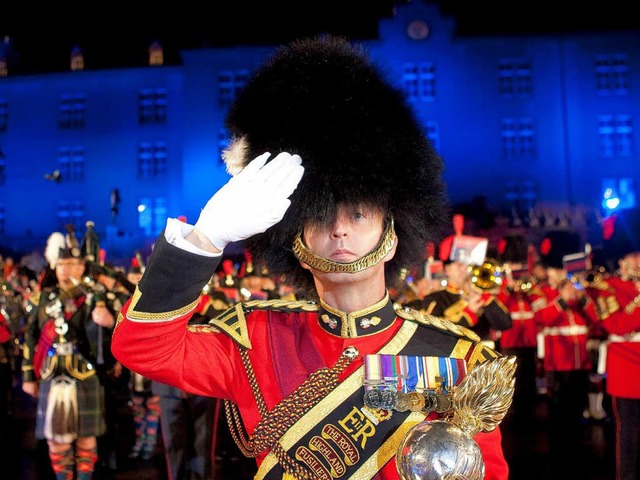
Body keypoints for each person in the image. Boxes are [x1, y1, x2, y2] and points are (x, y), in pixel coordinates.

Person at [112, 35, 513, 479]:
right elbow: (141, 348)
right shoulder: (255, 338)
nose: (339, 229)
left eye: (358, 214)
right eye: (319, 217)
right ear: (296, 245)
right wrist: (206, 238)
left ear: (393, 237)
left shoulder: (457, 356)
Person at [21, 226, 112, 480]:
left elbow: (104, 345)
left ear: (83, 266)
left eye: (74, 263)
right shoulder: (42, 300)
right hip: (51, 373)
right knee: (57, 442)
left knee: (86, 440)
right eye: (63, 264)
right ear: (54, 266)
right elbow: (31, 337)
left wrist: (106, 323)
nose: (69, 269)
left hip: (86, 373)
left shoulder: (94, 297)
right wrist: (28, 375)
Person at [588, 207, 640, 480]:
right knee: (629, 438)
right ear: (622, 259)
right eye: (635, 253)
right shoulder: (607, 288)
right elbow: (617, 325)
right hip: (628, 373)